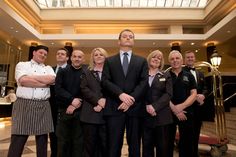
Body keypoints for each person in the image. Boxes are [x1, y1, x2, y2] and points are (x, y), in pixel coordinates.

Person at [102, 29, 148, 157]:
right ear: (119, 41)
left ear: (133, 41)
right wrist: (120, 95)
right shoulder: (109, 61)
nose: (128, 38)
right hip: (114, 107)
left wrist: (131, 99)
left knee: (135, 145)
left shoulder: (142, 61)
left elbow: (144, 83)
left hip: (135, 109)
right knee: (113, 144)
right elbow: (105, 81)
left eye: (131, 36)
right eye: (125, 36)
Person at [7, 45, 55, 157]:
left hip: (43, 105)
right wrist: (44, 83)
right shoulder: (22, 65)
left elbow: (52, 79)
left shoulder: (48, 68)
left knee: (42, 140)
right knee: (18, 138)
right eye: (41, 52)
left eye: (45, 54)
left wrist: (31, 78)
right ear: (34, 52)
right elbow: (23, 80)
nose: (43, 55)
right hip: (24, 104)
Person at [142, 50, 173, 157]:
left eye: (159, 58)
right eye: (154, 57)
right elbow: (138, 92)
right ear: (149, 58)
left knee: (162, 147)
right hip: (145, 115)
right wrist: (147, 106)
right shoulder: (142, 75)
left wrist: (154, 107)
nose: (156, 59)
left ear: (161, 62)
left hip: (162, 116)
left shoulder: (166, 75)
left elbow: (168, 94)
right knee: (146, 146)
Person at [55, 50, 85, 157]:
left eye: (79, 57)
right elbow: (58, 90)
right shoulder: (62, 71)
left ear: (83, 59)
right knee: (63, 141)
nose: (77, 59)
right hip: (64, 110)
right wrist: (71, 100)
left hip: (80, 111)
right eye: (75, 56)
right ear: (71, 58)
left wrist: (76, 103)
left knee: (78, 142)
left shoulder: (86, 72)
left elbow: (87, 90)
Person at [168, 50, 197, 157]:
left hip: (186, 113)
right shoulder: (165, 76)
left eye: (177, 58)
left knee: (187, 142)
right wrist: (175, 110)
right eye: (172, 59)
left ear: (181, 60)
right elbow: (163, 95)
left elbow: (194, 94)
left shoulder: (189, 76)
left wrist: (181, 106)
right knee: (167, 142)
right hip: (169, 113)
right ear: (169, 61)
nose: (175, 61)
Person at [80, 47, 108, 157]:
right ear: (93, 58)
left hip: (106, 114)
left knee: (104, 145)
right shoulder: (86, 72)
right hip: (89, 114)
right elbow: (84, 89)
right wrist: (97, 101)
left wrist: (103, 103)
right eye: (96, 55)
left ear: (105, 57)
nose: (98, 56)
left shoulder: (111, 73)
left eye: (101, 54)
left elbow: (113, 89)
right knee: (89, 145)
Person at [184, 50, 207, 157]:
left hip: (198, 108)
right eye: (188, 57)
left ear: (194, 58)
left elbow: (205, 88)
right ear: (185, 59)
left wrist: (203, 95)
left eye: (191, 57)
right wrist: (193, 97)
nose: (190, 59)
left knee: (196, 133)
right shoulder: (182, 72)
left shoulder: (200, 73)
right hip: (187, 109)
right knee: (187, 135)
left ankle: (194, 154)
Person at [49, 48, 69, 157]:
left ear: (67, 57)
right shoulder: (49, 70)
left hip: (67, 107)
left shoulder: (71, 70)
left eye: (62, 54)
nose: (60, 55)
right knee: (52, 134)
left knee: (66, 134)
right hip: (51, 107)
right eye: (58, 53)